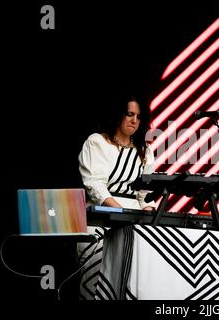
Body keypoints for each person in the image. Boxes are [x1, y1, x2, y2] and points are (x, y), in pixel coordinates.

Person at [77, 95, 156, 300]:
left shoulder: (145, 150)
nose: (134, 121)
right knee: (95, 284)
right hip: (100, 219)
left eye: (138, 116)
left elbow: (145, 194)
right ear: (118, 115)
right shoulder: (97, 142)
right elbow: (95, 186)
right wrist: (121, 213)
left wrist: (150, 213)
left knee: (130, 284)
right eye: (129, 114)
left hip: (134, 225)